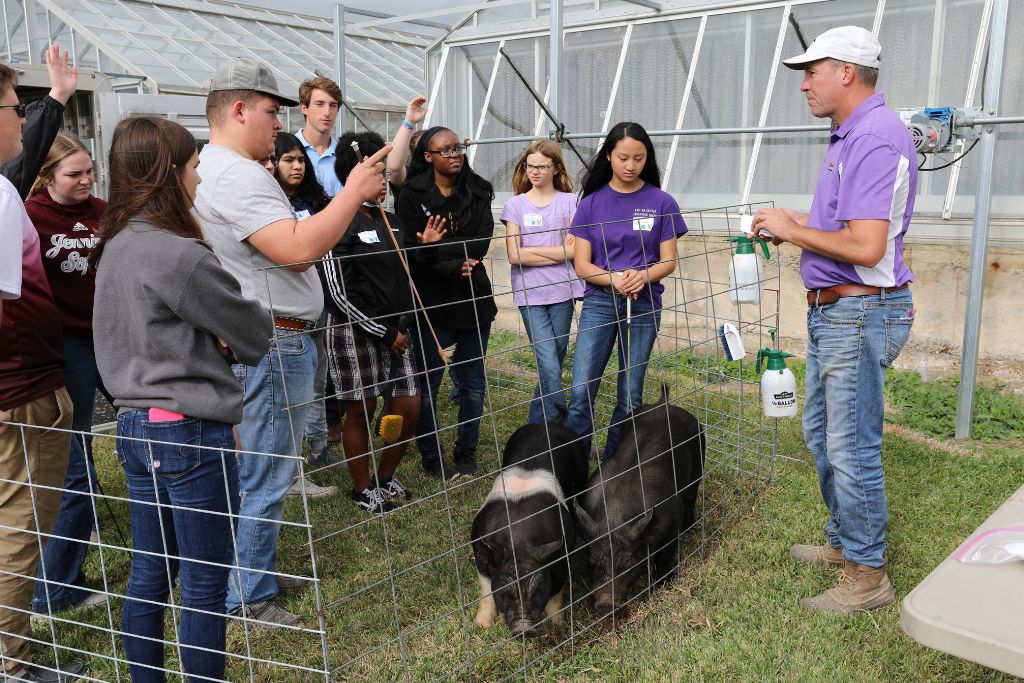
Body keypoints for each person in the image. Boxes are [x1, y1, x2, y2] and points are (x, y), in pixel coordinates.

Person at [193, 57, 388, 628]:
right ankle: (248, 596)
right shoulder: (237, 174)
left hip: (268, 335)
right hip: (275, 340)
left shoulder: (224, 169)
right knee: (268, 470)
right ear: (238, 109)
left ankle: (242, 577)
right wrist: (352, 192)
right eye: (271, 112)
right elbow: (298, 249)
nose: (279, 125)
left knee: (260, 466)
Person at [92, 114, 273, 683]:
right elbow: (252, 335)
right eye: (194, 166)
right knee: (202, 578)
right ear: (170, 174)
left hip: (136, 427)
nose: (199, 177)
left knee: (150, 570)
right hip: (190, 430)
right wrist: (224, 333)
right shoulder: (177, 254)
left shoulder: (115, 245)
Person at [751, 26, 916, 614]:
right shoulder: (851, 135)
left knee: (850, 447)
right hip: (839, 311)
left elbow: (867, 246)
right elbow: (849, 229)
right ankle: (849, 541)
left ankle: (867, 576)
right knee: (823, 435)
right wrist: (796, 219)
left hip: (859, 311)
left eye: (812, 71)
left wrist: (793, 229)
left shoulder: (873, 138)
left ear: (846, 72)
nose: (804, 84)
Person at [0, 60, 85, 683]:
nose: (23, 120)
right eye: (14, 107)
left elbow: (21, 164)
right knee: (18, 532)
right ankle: (12, 663)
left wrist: (55, 99)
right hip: (20, 393)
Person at [321, 131, 446, 512]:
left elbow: (404, 274)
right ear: (354, 173)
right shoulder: (334, 221)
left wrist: (423, 249)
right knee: (361, 410)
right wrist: (384, 331)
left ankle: (385, 477)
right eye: (377, 170)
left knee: (409, 405)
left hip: (398, 334)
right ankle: (362, 489)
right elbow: (338, 293)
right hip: (354, 332)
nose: (384, 179)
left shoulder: (390, 220)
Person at [565, 122, 687, 458]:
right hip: (600, 303)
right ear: (609, 156)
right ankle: (574, 464)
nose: (631, 165)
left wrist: (643, 276)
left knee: (631, 394)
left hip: (644, 305)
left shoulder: (661, 202)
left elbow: (668, 261)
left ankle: (613, 466)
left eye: (638, 158)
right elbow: (583, 265)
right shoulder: (591, 204)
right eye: (623, 158)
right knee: (581, 389)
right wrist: (615, 278)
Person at [25, 133, 109, 620]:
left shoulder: (103, 210)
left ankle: (65, 579)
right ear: (47, 176)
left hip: (110, 336)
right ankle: (53, 590)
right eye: (73, 173)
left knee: (145, 433)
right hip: (67, 345)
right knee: (74, 464)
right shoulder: (30, 216)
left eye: (89, 170)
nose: (86, 180)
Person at [396, 126, 497, 479]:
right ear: (428, 156)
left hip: (474, 301)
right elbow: (411, 253)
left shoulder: (479, 189)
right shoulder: (410, 196)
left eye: (458, 148)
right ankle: (431, 455)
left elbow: (481, 243)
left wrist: (433, 247)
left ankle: (466, 452)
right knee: (428, 385)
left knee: (472, 383)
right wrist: (450, 261)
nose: (455, 155)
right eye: (446, 150)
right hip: (432, 304)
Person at [270, 132, 341, 498]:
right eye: (288, 160)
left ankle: (318, 450)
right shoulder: (270, 205)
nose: (296, 166)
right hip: (285, 313)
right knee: (289, 394)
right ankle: (291, 472)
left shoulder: (316, 202)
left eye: (301, 160)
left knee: (317, 382)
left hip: (321, 306)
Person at [502, 140, 582, 424]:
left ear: (556, 168)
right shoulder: (515, 205)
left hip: (563, 291)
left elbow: (574, 250)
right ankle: (562, 423)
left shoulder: (570, 202)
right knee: (548, 363)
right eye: (530, 166)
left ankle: (538, 425)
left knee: (554, 362)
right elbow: (514, 255)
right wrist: (558, 253)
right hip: (530, 295)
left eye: (542, 166)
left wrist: (532, 253)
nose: (535, 172)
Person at [0, 45, 77, 200]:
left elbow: (18, 169)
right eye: (17, 109)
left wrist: (58, 96)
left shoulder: (5, 190)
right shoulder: (4, 195)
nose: (23, 119)